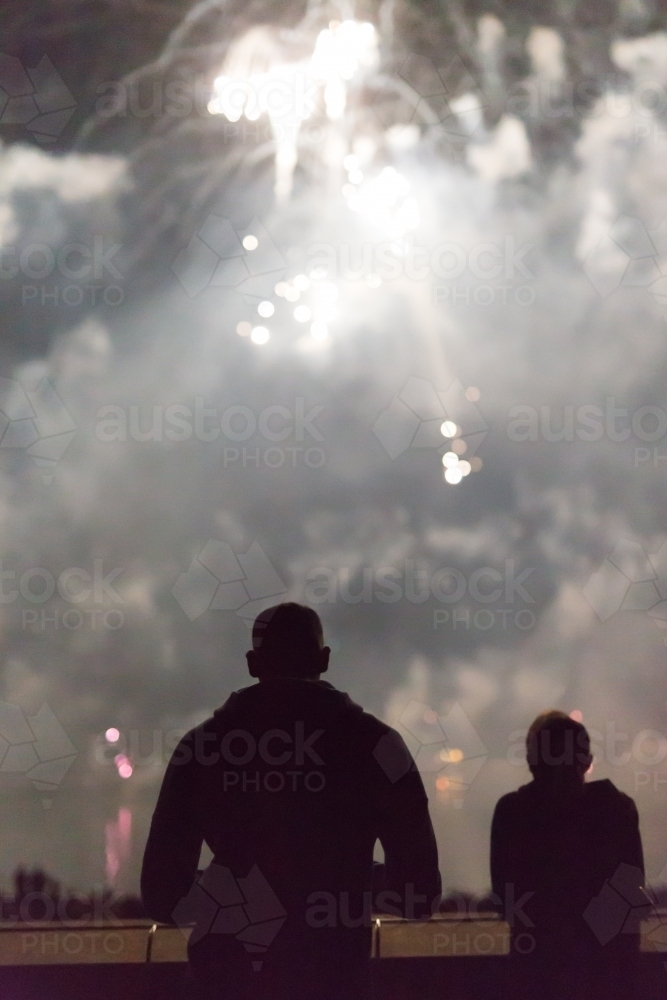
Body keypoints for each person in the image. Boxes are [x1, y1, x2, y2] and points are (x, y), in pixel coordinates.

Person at [141, 602, 441, 999]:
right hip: (335, 978)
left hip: (225, 979)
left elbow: (162, 895)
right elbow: (419, 893)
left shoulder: (201, 748)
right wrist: (344, 882)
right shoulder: (378, 746)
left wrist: (239, 886)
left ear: (252, 663)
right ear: (324, 659)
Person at [490, 710, 647, 1000]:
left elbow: (507, 899)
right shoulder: (618, 810)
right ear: (586, 761)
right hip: (607, 975)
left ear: (531, 760)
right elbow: (628, 900)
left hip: (535, 970)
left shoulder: (512, 812)